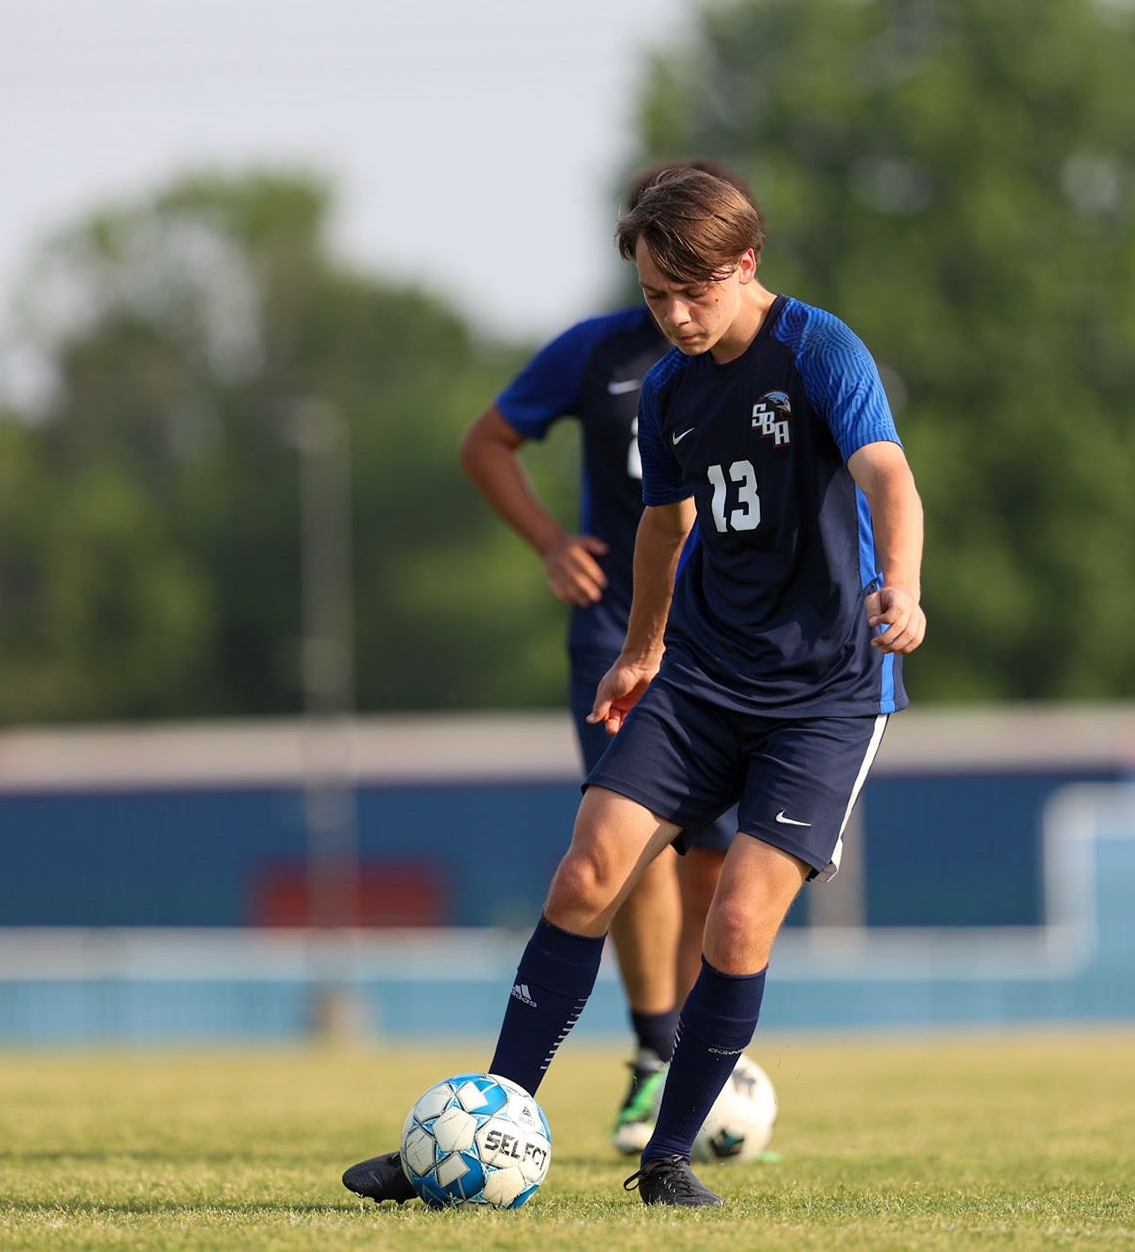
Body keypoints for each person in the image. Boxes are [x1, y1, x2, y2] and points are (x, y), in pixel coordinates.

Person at [346, 166, 924, 1207]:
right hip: (700, 672)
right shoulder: (667, 387)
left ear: (746, 265)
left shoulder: (820, 349)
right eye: (657, 295)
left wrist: (905, 587)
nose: (675, 315)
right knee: (585, 875)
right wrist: (641, 647)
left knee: (738, 920)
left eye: (693, 292)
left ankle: (666, 1157)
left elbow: (890, 474)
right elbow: (664, 525)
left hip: (825, 691)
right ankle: (487, 1121)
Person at [455, 160, 750, 1155]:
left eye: (688, 273)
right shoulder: (597, 354)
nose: (671, 295)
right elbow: (488, 440)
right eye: (654, 274)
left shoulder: (762, 356)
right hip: (620, 637)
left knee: (716, 866)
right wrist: (549, 539)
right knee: (629, 846)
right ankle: (654, 1055)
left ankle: (703, 1053)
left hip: (734, 643)